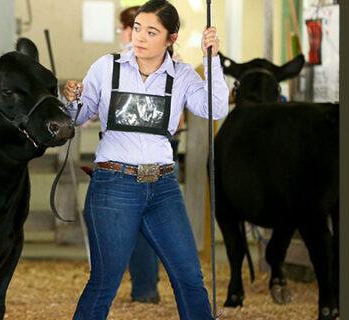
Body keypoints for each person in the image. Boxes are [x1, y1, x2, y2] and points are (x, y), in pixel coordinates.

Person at [63, 1, 227, 319]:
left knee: (190, 279)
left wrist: (211, 59)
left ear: (171, 38)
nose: (139, 37)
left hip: (163, 187)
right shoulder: (106, 67)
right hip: (114, 185)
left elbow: (215, 109)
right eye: (137, 28)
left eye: (151, 32)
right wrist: (72, 101)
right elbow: (80, 117)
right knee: (105, 282)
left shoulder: (181, 75)